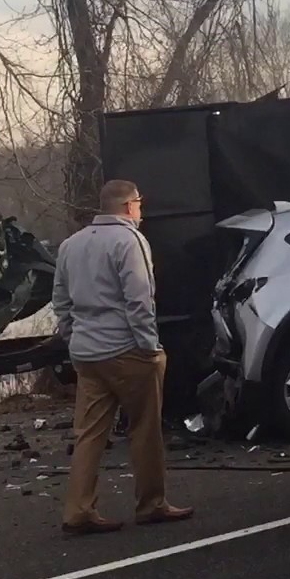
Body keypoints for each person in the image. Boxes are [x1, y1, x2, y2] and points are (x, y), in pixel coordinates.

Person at [52, 180, 193, 534]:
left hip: (87, 354)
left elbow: (61, 301)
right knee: (144, 428)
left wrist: (74, 339)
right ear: (130, 207)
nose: (141, 211)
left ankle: (79, 509)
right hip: (127, 350)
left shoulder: (71, 245)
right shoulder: (129, 241)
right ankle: (151, 503)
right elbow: (140, 300)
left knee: (89, 433)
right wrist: (150, 348)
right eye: (140, 204)